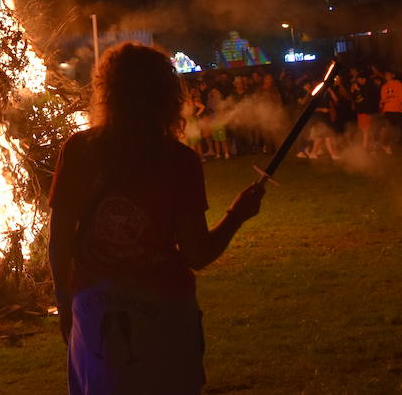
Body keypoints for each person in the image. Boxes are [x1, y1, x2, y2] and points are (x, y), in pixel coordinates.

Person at [49, 43, 265, 392]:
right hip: (164, 309)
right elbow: (197, 253)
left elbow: (58, 241)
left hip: (95, 309)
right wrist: (237, 215)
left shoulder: (79, 150)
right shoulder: (179, 161)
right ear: (165, 94)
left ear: (108, 91)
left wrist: (64, 303)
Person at [379, 67, 402, 154]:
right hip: (388, 111)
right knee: (388, 129)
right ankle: (388, 147)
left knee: (401, 129)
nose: (387, 76)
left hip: (398, 110)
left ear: (393, 75)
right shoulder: (384, 87)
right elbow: (383, 99)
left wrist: (393, 98)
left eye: (389, 75)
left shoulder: (399, 84)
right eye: (386, 75)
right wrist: (384, 100)